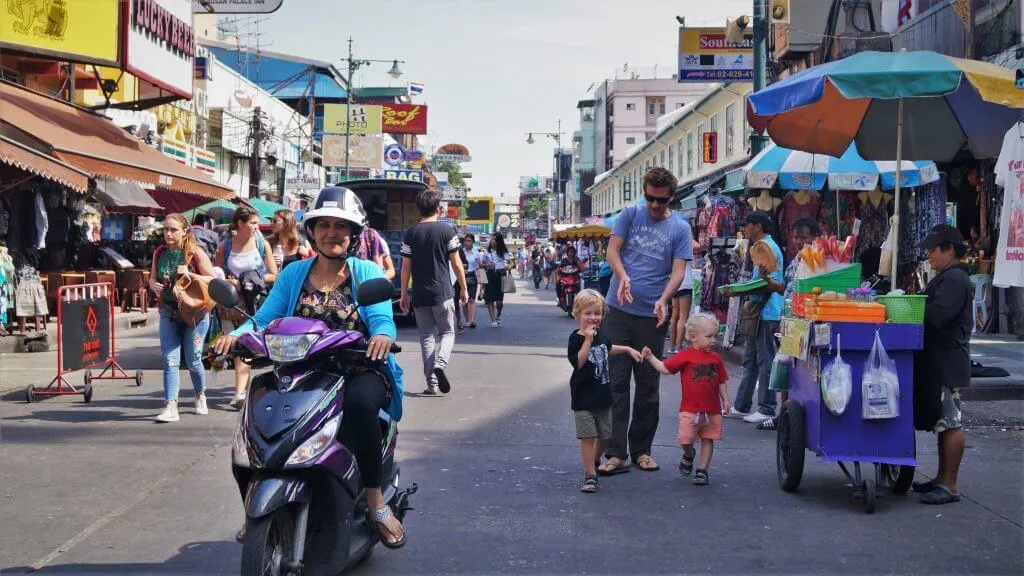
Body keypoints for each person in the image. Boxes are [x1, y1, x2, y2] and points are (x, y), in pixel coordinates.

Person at [213, 186, 408, 548]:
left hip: (358, 367)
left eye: (340, 227)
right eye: (324, 225)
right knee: (257, 414)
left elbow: (382, 319)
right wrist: (236, 334)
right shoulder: (293, 273)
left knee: (360, 406)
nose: (331, 233)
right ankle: (255, 506)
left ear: (353, 235)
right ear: (312, 230)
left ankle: (375, 500)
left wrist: (381, 336)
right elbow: (263, 318)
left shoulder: (364, 271)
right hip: (299, 370)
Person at [599, 167, 693, 476]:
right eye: (650, 198)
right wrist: (623, 275)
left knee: (648, 385)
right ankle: (616, 453)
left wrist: (665, 298)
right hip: (618, 311)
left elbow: (678, 271)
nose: (654, 205)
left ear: (671, 197)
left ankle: (641, 450)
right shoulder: (630, 214)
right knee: (616, 382)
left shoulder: (680, 228)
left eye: (661, 200)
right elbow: (612, 250)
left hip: (652, 317)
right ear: (644, 193)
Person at [912, 224, 972, 505]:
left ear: (949, 249)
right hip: (938, 360)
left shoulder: (956, 280)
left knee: (951, 422)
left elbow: (938, 315)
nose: (930, 256)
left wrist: (913, 305)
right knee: (942, 422)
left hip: (948, 361)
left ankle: (950, 485)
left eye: (933, 251)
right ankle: (940, 478)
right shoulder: (946, 277)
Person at [567, 289, 642, 493]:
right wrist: (588, 341)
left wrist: (627, 349)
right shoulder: (576, 339)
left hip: (603, 396)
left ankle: (594, 459)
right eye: (588, 313)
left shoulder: (601, 335)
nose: (593, 318)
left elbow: (608, 348)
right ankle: (590, 474)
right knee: (588, 437)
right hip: (583, 397)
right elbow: (579, 363)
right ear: (578, 314)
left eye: (597, 313)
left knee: (604, 435)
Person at [642, 313, 729, 486]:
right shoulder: (685, 355)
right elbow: (665, 369)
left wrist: (725, 400)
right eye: (709, 336)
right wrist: (651, 357)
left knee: (708, 439)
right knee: (685, 439)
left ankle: (702, 470)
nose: (714, 340)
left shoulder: (716, 359)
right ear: (693, 337)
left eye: (716, 336)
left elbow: (721, 381)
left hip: (712, 409)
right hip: (689, 408)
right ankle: (689, 454)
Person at [399, 189, 468, 395]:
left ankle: (431, 384)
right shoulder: (447, 231)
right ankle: (441, 362)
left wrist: (404, 294)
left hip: (419, 294)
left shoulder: (411, 233)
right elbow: (456, 263)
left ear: (418, 210)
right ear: (438, 209)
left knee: (426, 337)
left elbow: (405, 268)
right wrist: (464, 288)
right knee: (448, 332)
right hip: (443, 292)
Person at [149, 213, 217, 422]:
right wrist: (153, 286)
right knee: (170, 360)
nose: (168, 234)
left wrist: (192, 275)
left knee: (194, 359)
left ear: (185, 231)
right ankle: (171, 406)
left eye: (173, 230)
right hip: (169, 312)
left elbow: (213, 279)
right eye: (165, 229)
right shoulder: (160, 252)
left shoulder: (194, 253)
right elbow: (152, 278)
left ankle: (200, 395)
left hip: (195, 315)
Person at [722, 211, 783, 425]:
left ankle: (766, 407)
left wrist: (738, 290)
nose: (743, 230)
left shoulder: (767, 247)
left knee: (764, 361)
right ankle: (742, 404)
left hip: (767, 312)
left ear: (757, 226)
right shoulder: (760, 247)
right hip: (760, 310)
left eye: (746, 225)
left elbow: (770, 282)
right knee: (751, 360)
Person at [214, 206, 278, 410]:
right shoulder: (225, 246)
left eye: (256, 223)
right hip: (230, 304)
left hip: (257, 304)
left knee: (247, 344)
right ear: (240, 224)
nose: (256, 227)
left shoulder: (262, 244)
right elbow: (215, 272)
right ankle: (240, 392)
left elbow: (274, 275)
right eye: (252, 223)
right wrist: (227, 280)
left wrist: (249, 279)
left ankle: (248, 390)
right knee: (239, 347)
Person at [759, 217, 819, 431]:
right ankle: (784, 414)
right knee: (786, 368)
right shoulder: (795, 261)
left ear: (815, 238)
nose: (798, 241)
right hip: (790, 322)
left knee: (804, 372)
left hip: (807, 323)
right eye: (795, 236)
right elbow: (785, 289)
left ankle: (796, 415)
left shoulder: (819, 261)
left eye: (803, 237)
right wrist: (768, 281)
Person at [481, 232, 510, 327]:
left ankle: (498, 315)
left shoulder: (504, 252)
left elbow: (511, 263)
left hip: (501, 275)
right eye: (492, 239)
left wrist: (508, 266)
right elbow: (482, 264)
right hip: (490, 275)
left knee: (499, 302)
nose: (492, 241)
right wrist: (487, 265)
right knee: (490, 299)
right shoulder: (486, 252)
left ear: (499, 241)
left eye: (494, 239)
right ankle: (493, 320)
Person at [667, 264, 694, 356]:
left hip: (673, 282)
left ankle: (671, 346)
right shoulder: (685, 249)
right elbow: (698, 248)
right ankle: (678, 346)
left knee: (674, 315)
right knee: (683, 316)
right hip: (685, 282)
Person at [459, 234, 480, 330]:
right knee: (464, 300)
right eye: (466, 241)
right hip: (462, 277)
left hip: (472, 276)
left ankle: (472, 321)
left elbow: (479, 267)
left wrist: (482, 282)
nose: (467, 243)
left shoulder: (476, 253)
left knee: (472, 299)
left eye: (469, 241)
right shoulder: (460, 252)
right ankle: (467, 320)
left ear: (473, 242)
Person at [553, 244, 581, 309]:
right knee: (558, 284)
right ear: (567, 252)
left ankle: (581, 300)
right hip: (565, 277)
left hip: (575, 277)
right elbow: (559, 267)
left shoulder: (577, 260)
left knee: (580, 285)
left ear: (574, 253)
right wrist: (558, 270)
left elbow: (581, 266)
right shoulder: (564, 260)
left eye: (572, 252)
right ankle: (560, 299)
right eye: (570, 252)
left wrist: (581, 266)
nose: (571, 253)